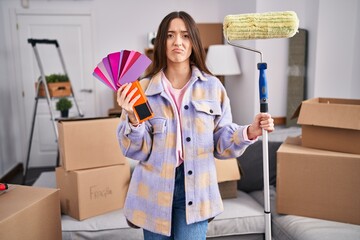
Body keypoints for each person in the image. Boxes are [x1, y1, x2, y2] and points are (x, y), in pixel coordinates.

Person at [116, 11, 274, 240]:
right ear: (161, 42)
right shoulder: (143, 89)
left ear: (194, 42)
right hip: (152, 192)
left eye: (185, 35)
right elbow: (137, 150)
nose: (177, 42)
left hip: (197, 189)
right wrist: (131, 117)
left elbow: (221, 143)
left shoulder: (213, 87)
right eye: (170, 35)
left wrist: (250, 131)